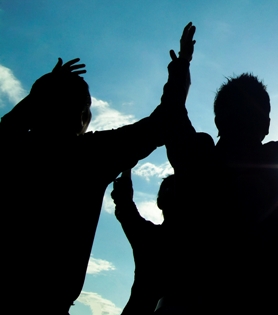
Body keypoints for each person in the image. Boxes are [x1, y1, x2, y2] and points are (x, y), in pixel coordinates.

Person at [156, 25, 278, 314]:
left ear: (218, 120)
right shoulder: (276, 161)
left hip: (184, 301)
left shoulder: (196, 156)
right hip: (256, 300)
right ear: (266, 124)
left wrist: (182, 64)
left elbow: (172, 111)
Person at [0, 58, 165, 314]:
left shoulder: (12, 150)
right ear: (81, 116)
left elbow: (9, 126)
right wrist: (181, 66)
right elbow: (160, 124)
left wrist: (42, 92)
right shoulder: (88, 157)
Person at [111, 169, 175, 315]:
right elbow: (124, 203)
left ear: (159, 202)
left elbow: (123, 202)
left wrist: (126, 167)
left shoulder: (147, 237)